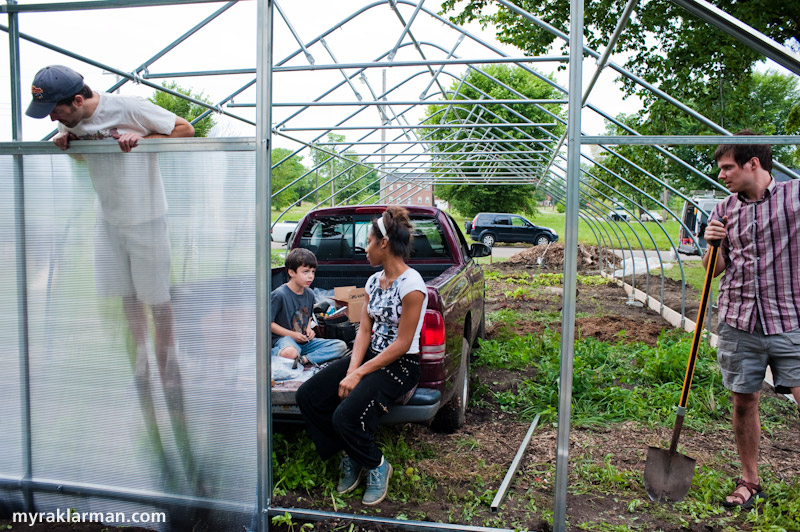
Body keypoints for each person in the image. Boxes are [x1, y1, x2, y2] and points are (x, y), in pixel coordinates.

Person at [25, 65, 205, 502]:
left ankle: (167, 363)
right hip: (109, 223)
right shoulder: (74, 126)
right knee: (123, 296)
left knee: (157, 300)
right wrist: (69, 147)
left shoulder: (129, 106)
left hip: (148, 221)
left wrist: (142, 141)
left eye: (56, 111)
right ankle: (142, 362)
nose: (53, 118)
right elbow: (90, 158)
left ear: (78, 100)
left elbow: (187, 129)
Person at [296, 206, 427, 506]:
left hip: (400, 364)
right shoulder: (371, 282)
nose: (364, 248)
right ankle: (351, 453)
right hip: (370, 355)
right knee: (309, 395)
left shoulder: (412, 286)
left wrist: (358, 374)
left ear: (383, 243)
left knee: (344, 416)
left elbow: (404, 343)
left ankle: (377, 464)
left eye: (368, 241)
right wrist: (351, 369)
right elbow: (364, 333)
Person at [704, 129, 800, 509]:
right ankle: (750, 480)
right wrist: (711, 244)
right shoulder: (724, 210)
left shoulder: (795, 197)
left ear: (753, 163)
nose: (722, 175)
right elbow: (714, 271)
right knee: (744, 401)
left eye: (727, 167)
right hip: (739, 320)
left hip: (791, 317)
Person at [271, 248, 347, 368]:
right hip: (284, 340)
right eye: (305, 272)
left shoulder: (310, 294)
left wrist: (309, 330)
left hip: (304, 342)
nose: (310, 276)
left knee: (340, 346)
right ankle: (275, 354)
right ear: (292, 272)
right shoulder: (279, 295)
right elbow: (269, 324)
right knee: (290, 352)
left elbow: (309, 316)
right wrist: (292, 335)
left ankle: (303, 359)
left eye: (313, 271)